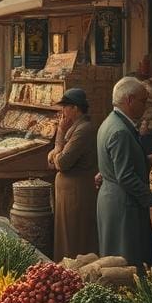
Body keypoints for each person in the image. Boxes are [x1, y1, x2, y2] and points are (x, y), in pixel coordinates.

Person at [96, 77, 152, 269]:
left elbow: (118, 166)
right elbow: (125, 176)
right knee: (126, 264)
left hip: (113, 200)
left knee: (115, 260)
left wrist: (148, 159)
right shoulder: (120, 131)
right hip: (123, 206)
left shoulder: (111, 122)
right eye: (143, 101)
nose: (146, 106)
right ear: (130, 100)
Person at [47, 88, 99, 261]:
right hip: (69, 194)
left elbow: (61, 162)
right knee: (66, 237)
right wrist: (57, 152)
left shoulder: (84, 130)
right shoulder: (76, 128)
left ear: (75, 108)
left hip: (77, 195)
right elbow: (56, 157)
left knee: (74, 240)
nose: (62, 112)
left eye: (65, 107)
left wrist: (60, 135)